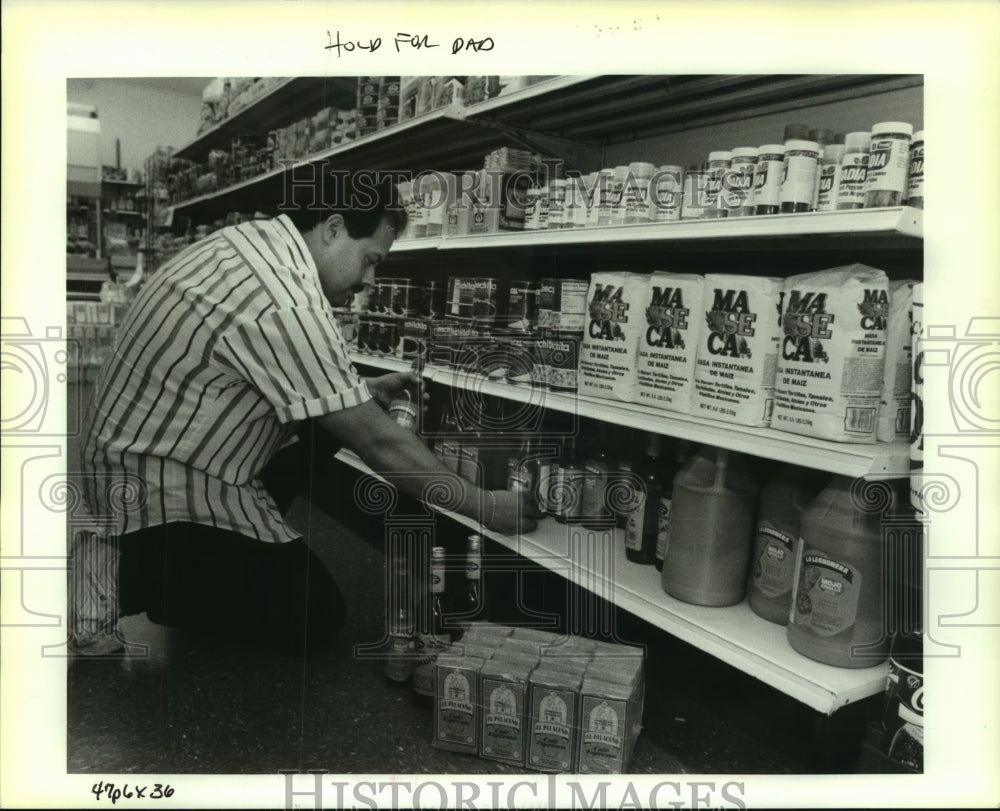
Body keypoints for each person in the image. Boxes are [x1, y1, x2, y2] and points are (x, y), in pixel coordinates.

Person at [80, 172, 541, 655]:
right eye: (370, 260)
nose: (369, 281)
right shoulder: (283, 299)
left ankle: (203, 566)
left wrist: (363, 392)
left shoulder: (254, 245)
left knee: (329, 424)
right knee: (314, 613)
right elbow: (379, 443)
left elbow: (306, 395)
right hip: (153, 500)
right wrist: (485, 506)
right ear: (334, 228)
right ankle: (125, 577)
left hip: (144, 465)